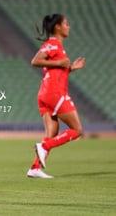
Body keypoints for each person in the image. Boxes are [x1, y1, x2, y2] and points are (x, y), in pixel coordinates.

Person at [27, 14, 85, 178]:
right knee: (77, 130)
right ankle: (45, 146)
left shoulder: (57, 46)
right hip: (54, 93)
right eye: (66, 23)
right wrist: (59, 63)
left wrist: (71, 68)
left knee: (52, 132)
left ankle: (35, 168)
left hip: (46, 93)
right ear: (58, 27)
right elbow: (35, 61)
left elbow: (54, 71)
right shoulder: (53, 44)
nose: (69, 26)